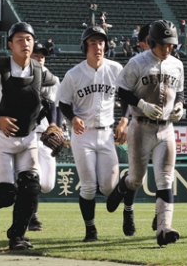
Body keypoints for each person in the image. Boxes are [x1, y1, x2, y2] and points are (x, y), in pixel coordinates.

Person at [0, 22, 58, 250]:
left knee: (31, 188)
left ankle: (16, 237)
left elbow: (51, 99)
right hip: (2, 138)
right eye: (19, 39)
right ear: (10, 44)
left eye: (28, 39)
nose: (25, 43)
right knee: (6, 194)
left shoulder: (41, 71)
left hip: (29, 138)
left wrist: (54, 124)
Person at [107, 20, 184, 247]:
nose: (167, 49)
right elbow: (122, 90)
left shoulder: (176, 65)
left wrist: (180, 106)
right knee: (137, 179)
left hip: (166, 128)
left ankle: (164, 228)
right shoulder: (137, 62)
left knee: (165, 179)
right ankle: (123, 186)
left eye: (170, 44)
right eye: (163, 44)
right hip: (140, 127)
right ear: (151, 42)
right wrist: (141, 103)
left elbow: (179, 92)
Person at [57, 25, 127, 242]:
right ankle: (90, 230)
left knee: (108, 188)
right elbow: (63, 103)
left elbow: (127, 97)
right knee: (87, 185)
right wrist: (72, 117)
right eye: (93, 43)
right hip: (83, 134)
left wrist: (124, 120)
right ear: (85, 46)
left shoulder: (116, 69)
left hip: (107, 134)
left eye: (101, 42)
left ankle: (122, 190)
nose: (98, 47)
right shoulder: (74, 74)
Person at [29, 42, 61, 231]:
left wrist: (55, 125)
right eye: (36, 55)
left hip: (45, 135)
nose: (39, 58)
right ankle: (32, 216)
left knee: (47, 185)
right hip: (28, 134)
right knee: (33, 177)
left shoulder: (53, 79)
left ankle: (17, 193)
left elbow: (54, 106)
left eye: (42, 55)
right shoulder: (21, 76)